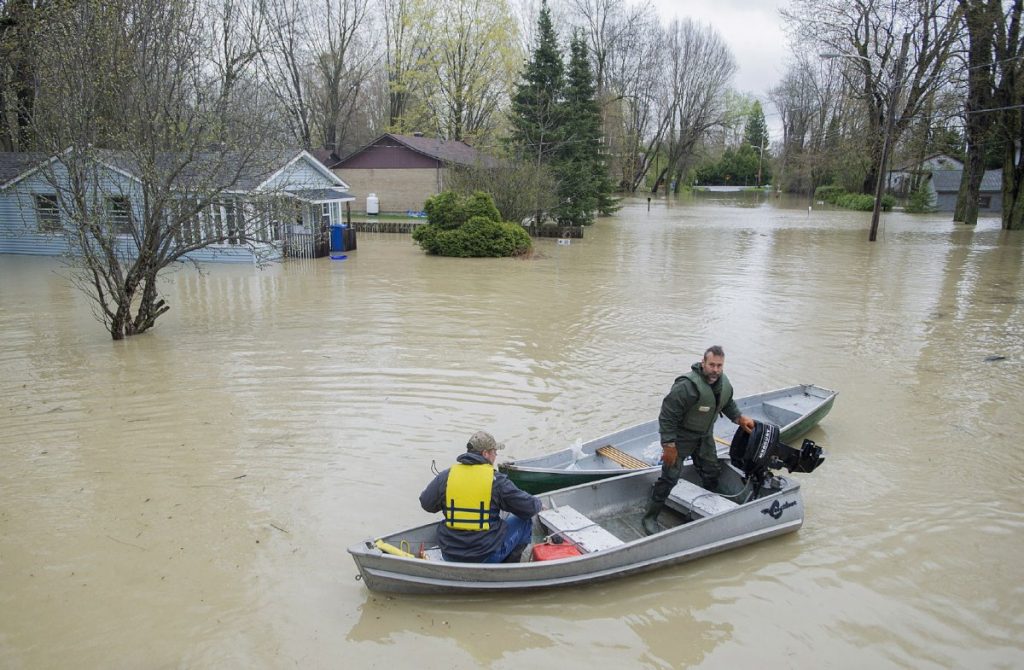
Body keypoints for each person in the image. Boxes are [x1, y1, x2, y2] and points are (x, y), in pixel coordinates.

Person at [641, 345, 755, 535]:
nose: (715, 370)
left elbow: (726, 403)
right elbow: (667, 417)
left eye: (719, 366)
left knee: (711, 471)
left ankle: (713, 508)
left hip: (704, 436)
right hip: (681, 438)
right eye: (712, 365)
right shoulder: (686, 386)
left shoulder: (722, 382)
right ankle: (650, 517)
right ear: (703, 363)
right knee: (669, 478)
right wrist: (668, 445)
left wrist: (739, 418)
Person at [419, 430, 542, 563]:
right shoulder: (496, 481)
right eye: (494, 452)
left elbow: (426, 504)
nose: (495, 457)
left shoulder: (447, 476)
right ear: (485, 454)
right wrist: (538, 504)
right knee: (524, 521)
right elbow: (528, 507)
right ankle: (508, 569)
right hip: (485, 557)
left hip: (450, 554)